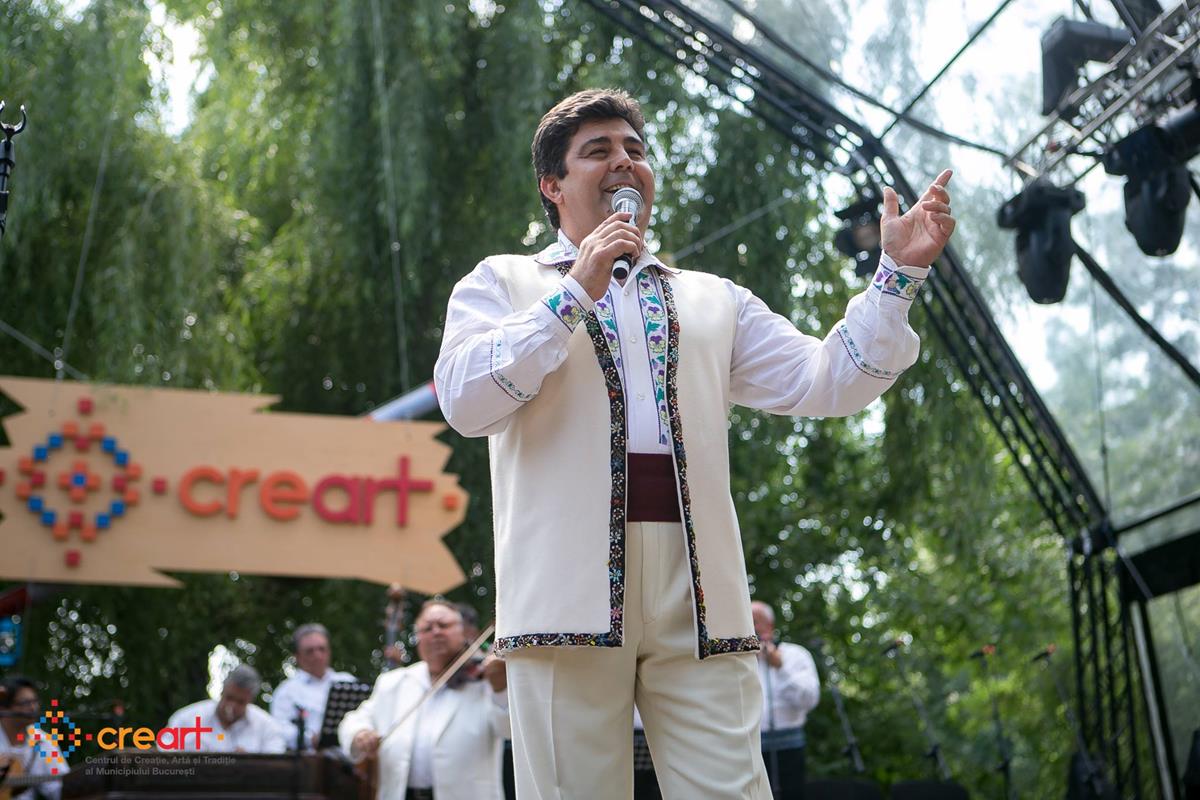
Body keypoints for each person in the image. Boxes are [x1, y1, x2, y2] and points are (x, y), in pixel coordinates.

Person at [434, 88, 956, 799]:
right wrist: (575, 291)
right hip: (563, 587)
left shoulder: (713, 298)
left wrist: (896, 279)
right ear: (552, 185)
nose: (625, 162)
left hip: (702, 585)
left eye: (635, 149)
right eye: (598, 151)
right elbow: (465, 401)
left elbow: (828, 381)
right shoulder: (503, 282)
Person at [339, 600, 510, 800]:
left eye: (444, 625)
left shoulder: (485, 680)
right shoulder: (393, 682)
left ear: (463, 632)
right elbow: (354, 720)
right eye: (427, 628)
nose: (436, 632)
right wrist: (359, 733)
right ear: (418, 637)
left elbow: (508, 731)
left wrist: (501, 688)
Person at [751, 601, 820, 799]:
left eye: (755, 622)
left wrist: (780, 667)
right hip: (751, 749)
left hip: (789, 747)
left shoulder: (796, 654)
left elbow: (809, 700)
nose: (750, 627)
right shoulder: (740, 661)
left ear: (769, 625)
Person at [270, 622, 357, 750]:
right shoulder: (286, 691)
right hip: (309, 759)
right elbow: (279, 729)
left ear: (329, 651)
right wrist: (309, 739)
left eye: (322, 649)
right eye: (310, 651)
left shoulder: (348, 681)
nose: (317, 655)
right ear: (297, 656)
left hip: (350, 757)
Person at [166, 664, 287, 753]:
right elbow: (163, 756)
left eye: (240, 702)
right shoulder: (186, 718)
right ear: (222, 691)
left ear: (250, 700)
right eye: (229, 698)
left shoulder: (267, 727)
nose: (232, 705)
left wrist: (251, 764)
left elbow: (275, 765)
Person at [0, 675, 68, 800]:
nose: (33, 708)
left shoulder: (44, 741)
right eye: (25, 703)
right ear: (3, 707)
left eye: (35, 702)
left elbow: (59, 788)